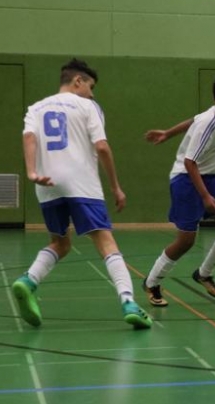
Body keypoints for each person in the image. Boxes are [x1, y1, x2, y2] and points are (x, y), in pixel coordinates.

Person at [12, 58, 153, 330]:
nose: (92, 94)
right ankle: (129, 302)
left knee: (60, 243)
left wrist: (31, 172)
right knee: (106, 242)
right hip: (81, 183)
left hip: (47, 184)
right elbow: (101, 147)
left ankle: (28, 281)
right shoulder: (88, 106)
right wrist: (115, 186)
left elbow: (28, 138)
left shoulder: (35, 108)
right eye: (91, 86)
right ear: (78, 81)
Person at [140, 75, 215, 306]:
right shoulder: (209, 124)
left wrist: (168, 133)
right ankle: (151, 282)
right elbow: (190, 162)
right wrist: (205, 196)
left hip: (212, 177)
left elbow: (193, 120)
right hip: (186, 179)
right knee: (186, 241)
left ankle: (204, 274)